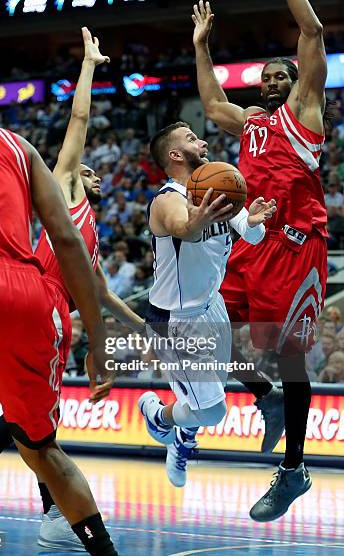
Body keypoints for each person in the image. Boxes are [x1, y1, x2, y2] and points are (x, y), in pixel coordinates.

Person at [0, 30, 143, 551]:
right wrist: (98, 341)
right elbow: (68, 244)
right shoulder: (19, 146)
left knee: (23, 432)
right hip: (31, 295)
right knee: (42, 447)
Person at [192, 0, 330, 522]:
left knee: (293, 358)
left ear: (296, 82)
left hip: (296, 246)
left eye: (281, 74)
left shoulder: (306, 108)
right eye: (267, 75)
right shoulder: (249, 123)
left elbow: (313, 30)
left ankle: (294, 467)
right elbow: (209, 101)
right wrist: (201, 47)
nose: (272, 79)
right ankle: (264, 400)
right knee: (200, 333)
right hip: (250, 242)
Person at [138, 121, 276, 488]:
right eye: (191, 138)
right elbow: (184, 228)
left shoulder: (217, 185)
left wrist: (257, 220)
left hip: (211, 304)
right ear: (175, 154)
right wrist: (201, 218)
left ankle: (183, 436)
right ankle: (158, 416)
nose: (202, 141)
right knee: (212, 410)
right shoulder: (167, 199)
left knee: (203, 399)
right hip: (176, 320)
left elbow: (253, 233)